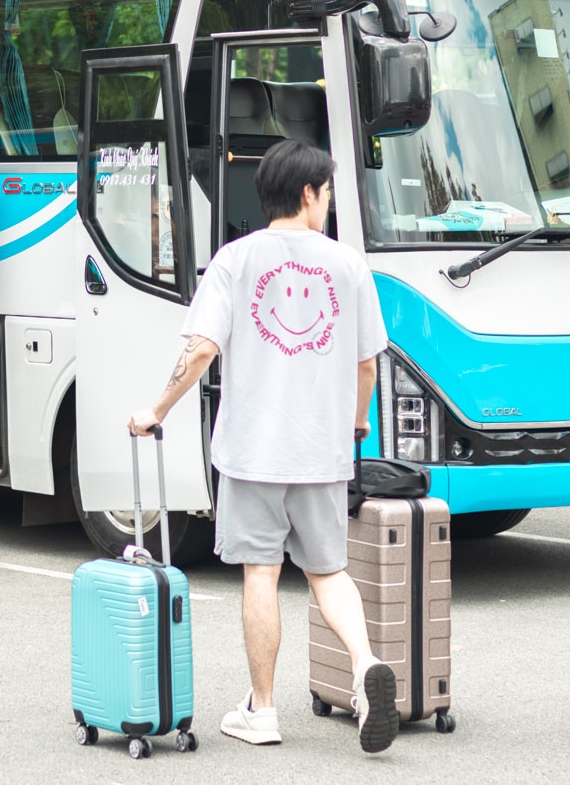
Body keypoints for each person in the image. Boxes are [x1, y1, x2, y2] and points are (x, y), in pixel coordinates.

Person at [126, 139, 399, 754]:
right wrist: (355, 427)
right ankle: (362, 667)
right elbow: (366, 366)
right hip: (322, 452)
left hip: (253, 452)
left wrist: (156, 410)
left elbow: (200, 350)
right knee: (329, 572)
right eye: (327, 193)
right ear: (308, 194)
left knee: (262, 574)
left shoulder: (234, 260)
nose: (328, 204)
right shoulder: (348, 264)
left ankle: (264, 711)